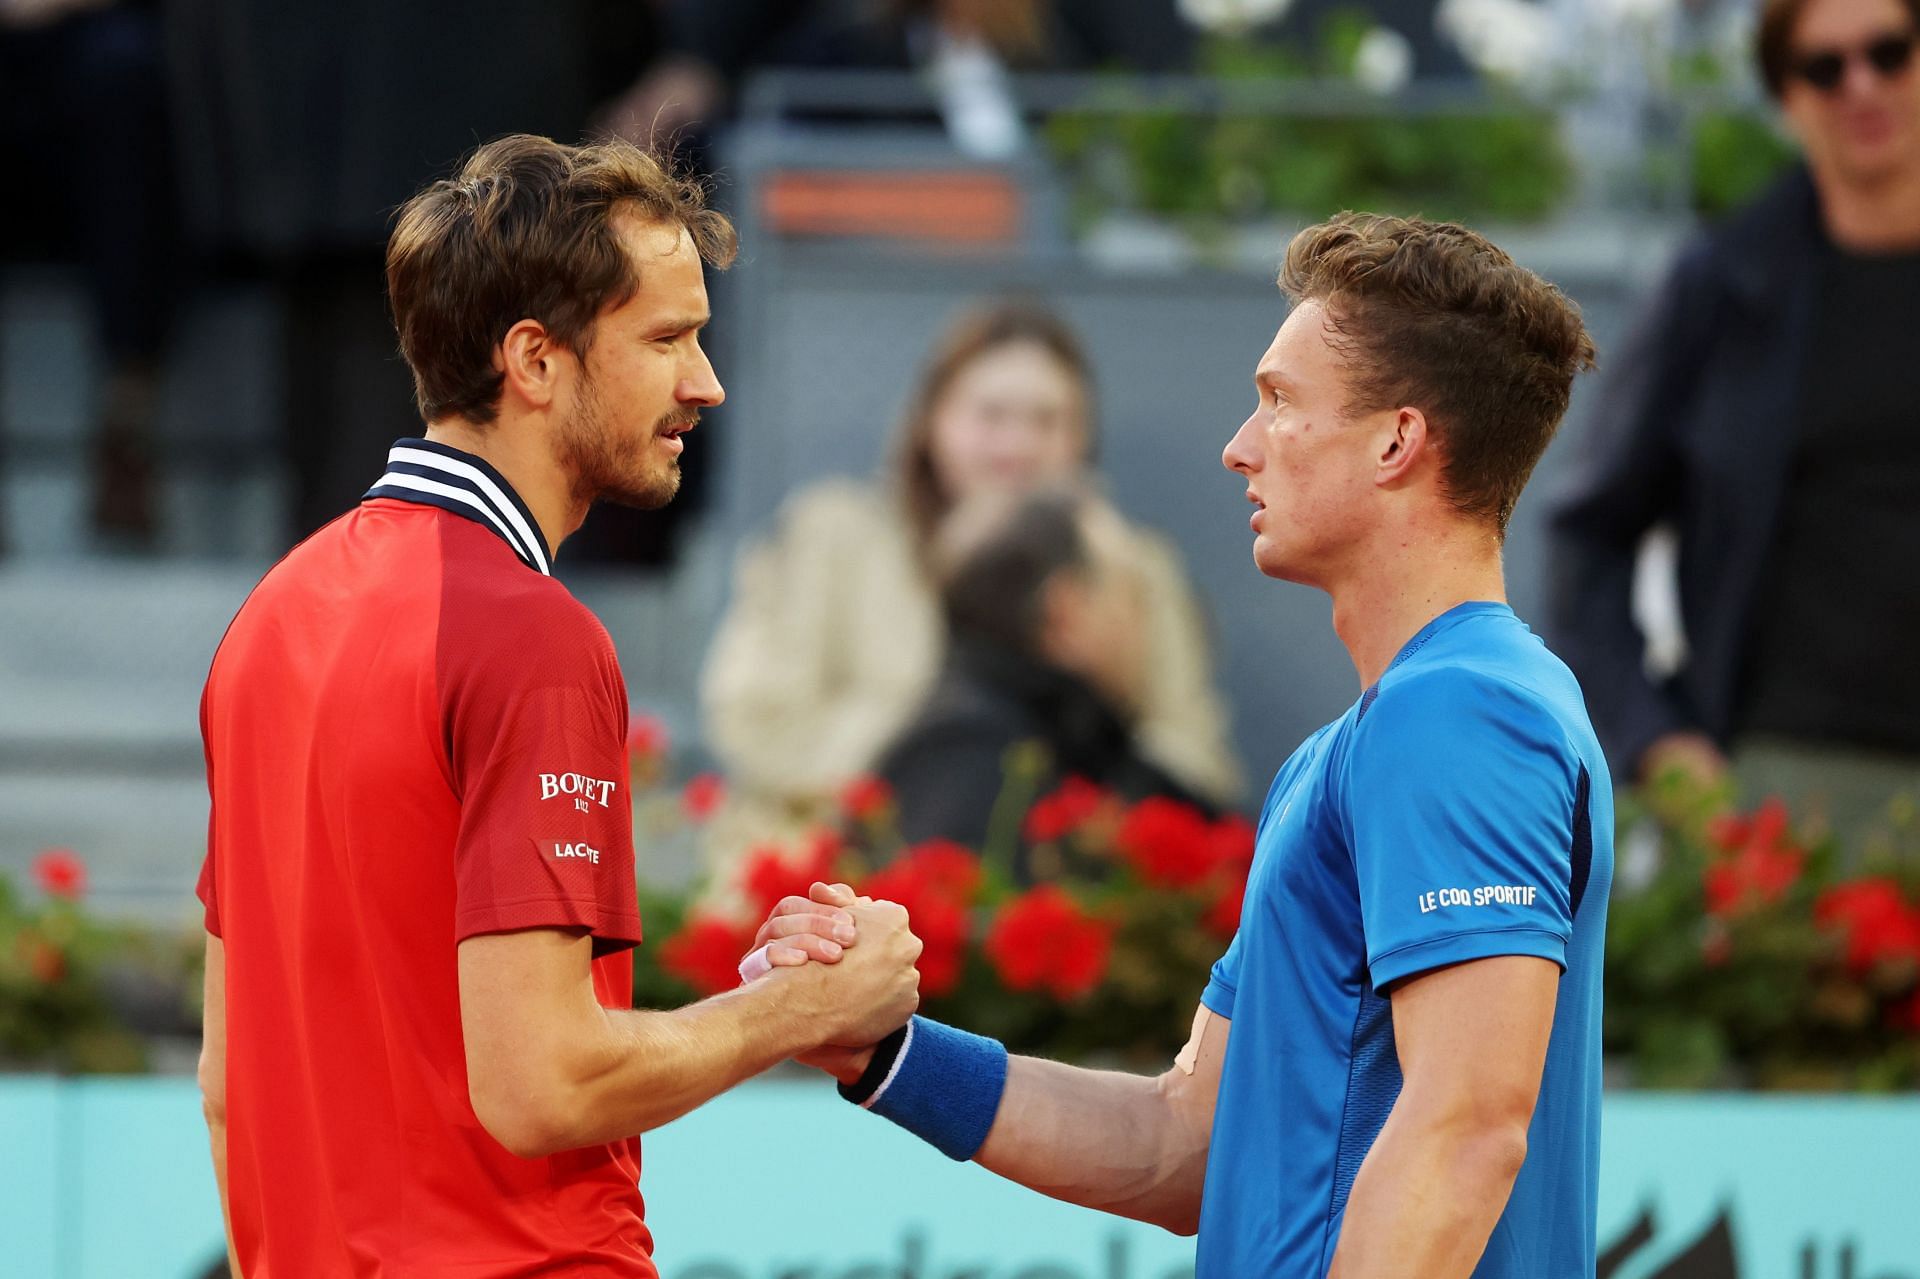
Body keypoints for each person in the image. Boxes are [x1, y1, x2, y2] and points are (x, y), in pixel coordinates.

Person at [767, 213, 1610, 1277]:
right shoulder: (1371, 738)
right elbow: (1183, 1142)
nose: (1239, 445)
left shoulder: (1463, 709)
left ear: (1396, 442)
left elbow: (1468, 1130)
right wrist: (888, 1052)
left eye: (1279, 402)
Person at [194, 134, 922, 1277]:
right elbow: (543, 1083)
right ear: (535, 361)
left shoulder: (269, 617)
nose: (706, 384)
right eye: (668, 339)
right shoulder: (532, 637)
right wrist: (802, 1010)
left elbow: (229, 1087)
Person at [1547, 0, 1920, 850]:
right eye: (1823, 68)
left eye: (1889, 53)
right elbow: (1588, 535)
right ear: (1786, 99)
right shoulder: (1725, 287)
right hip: (1787, 778)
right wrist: (1656, 740)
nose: (1860, 85)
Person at [701, 300, 1240, 878]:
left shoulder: (1130, 569)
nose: (1017, 446)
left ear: (1082, 438)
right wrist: (952, 742)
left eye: (1047, 421)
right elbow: (755, 722)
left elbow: (1194, 755)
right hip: (834, 879)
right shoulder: (834, 536)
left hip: (1061, 890)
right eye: (992, 415)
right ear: (932, 420)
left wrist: (1078, 796)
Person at [874, 484, 1213, 879]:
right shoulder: (975, 768)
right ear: (1065, 613)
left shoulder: (1081, 743)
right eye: (1133, 596)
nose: (1146, 631)